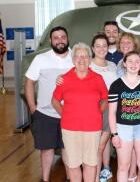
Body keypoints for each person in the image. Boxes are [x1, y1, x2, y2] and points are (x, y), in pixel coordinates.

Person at [52, 42, 108, 182]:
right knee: (73, 164)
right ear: (73, 59)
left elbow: (105, 100)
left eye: (85, 56)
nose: (81, 59)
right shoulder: (64, 79)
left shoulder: (98, 78)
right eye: (78, 56)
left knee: (90, 163)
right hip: (70, 128)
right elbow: (55, 101)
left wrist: (97, 113)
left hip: (93, 128)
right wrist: (65, 114)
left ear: (90, 59)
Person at [24, 26, 73, 182]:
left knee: (69, 150)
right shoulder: (41, 59)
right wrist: (33, 107)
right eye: (56, 38)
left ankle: (70, 178)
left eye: (63, 37)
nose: (60, 40)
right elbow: (29, 82)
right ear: (51, 41)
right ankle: (45, 179)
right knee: (46, 150)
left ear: (67, 39)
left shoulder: (77, 57)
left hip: (70, 114)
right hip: (45, 114)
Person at [108, 51, 140, 182]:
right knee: (123, 166)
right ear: (124, 63)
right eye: (130, 61)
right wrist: (114, 134)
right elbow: (112, 113)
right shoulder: (116, 85)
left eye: (137, 61)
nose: (133, 64)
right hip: (122, 128)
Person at [90, 33, 118, 182]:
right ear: (93, 48)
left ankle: (105, 169)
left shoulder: (112, 65)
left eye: (104, 46)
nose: (101, 49)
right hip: (92, 109)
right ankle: (93, 177)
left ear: (108, 47)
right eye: (98, 45)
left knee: (104, 142)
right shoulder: (87, 64)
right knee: (97, 145)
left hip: (110, 109)